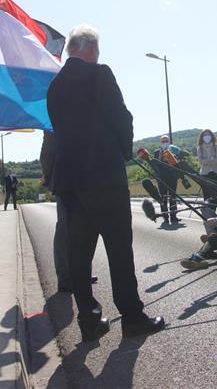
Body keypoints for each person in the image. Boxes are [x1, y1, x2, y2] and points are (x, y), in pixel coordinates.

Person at [46, 24, 163, 341]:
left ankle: (89, 322)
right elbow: (121, 118)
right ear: (92, 49)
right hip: (104, 178)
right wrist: (124, 150)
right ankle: (132, 317)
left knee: (80, 257)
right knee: (119, 251)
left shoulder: (54, 87)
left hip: (71, 182)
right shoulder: (101, 75)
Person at [39, 130, 97, 293]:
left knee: (84, 232)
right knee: (66, 231)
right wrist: (50, 176)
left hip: (82, 180)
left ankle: (81, 275)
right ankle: (66, 278)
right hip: (67, 183)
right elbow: (47, 154)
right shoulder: (53, 121)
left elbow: (47, 154)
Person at [152, 135, 182, 224]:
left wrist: (171, 156)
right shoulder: (157, 152)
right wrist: (161, 156)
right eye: (163, 141)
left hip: (172, 177)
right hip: (161, 178)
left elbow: (177, 163)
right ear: (160, 143)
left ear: (169, 141)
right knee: (163, 197)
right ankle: (165, 217)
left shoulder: (173, 151)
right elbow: (156, 165)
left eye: (166, 141)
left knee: (173, 196)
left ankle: (173, 216)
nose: (165, 143)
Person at [196, 129, 217, 199]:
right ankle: (208, 210)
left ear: (211, 136)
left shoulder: (216, 146)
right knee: (207, 194)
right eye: (205, 135)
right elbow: (201, 161)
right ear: (202, 137)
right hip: (205, 174)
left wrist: (207, 160)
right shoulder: (199, 148)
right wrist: (212, 159)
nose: (206, 136)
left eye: (208, 135)